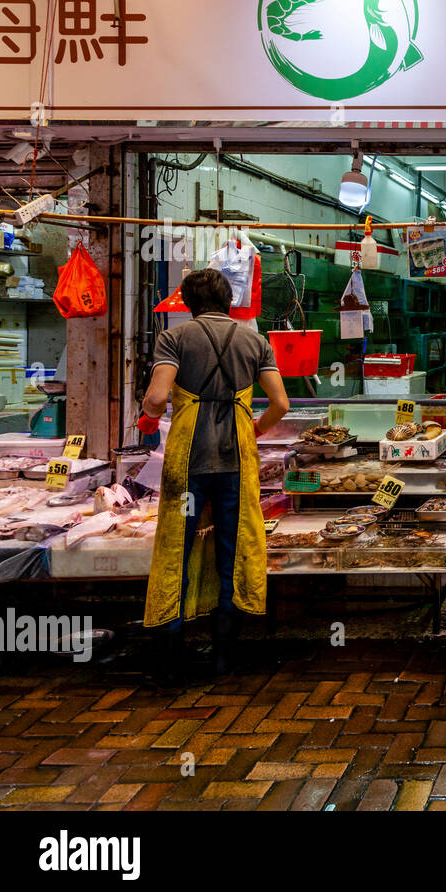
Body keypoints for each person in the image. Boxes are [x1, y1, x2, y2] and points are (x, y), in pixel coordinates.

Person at [139, 269, 290, 685]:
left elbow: (155, 397)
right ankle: (225, 654)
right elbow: (280, 403)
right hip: (237, 456)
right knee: (235, 546)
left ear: (188, 303)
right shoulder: (255, 341)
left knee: (176, 546)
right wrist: (254, 429)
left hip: (189, 456)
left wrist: (150, 418)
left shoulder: (175, 338)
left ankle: (170, 650)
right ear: (229, 301)